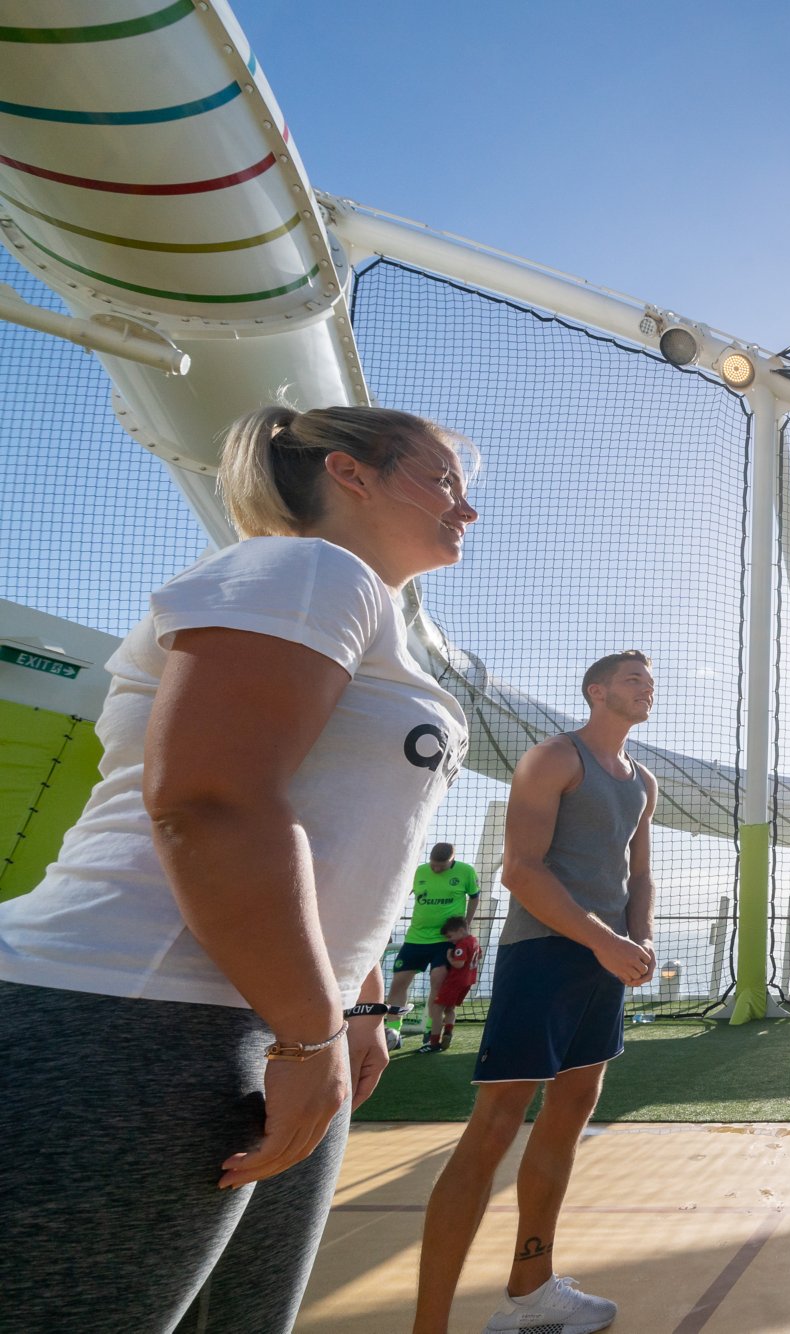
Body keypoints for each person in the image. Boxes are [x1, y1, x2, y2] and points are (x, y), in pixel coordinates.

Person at [0, 404, 476, 1331]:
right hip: (133, 1016)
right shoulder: (309, 568)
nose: (466, 509)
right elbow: (212, 802)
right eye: (443, 479)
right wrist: (308, 1036)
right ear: (351, 473)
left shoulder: (361, 605)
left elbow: (346, 836)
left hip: (272, 1022)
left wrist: (358, 1004)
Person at [415, 650, 659, 1334]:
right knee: (494, 1127)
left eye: (651, 681)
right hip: (544, 954)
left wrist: (637, 939)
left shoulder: (644, 779)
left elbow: (640, 877)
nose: (647, 688)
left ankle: (530, 1292)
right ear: (597, 690)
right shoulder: (553, 758)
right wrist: (604, 941)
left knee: (574, 1107)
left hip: (603, 966)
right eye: (634, 679)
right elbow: (520, 873)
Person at [388, 841, 481, 1050]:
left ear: (452, 860)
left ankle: (432, 1031)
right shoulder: (419, 871)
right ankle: (392, 1032)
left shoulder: (466, 871)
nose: (436, 868)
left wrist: (466, 925)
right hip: (415, 938)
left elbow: (475, 897)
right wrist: (388, 927)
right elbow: (398, 898)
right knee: (398, 983)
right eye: (433, 864)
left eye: (442, 865)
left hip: (444, 942)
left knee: (437, 983)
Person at [417, 914, 482, 1054]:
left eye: (450, 936)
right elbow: (479, 956)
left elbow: (458, 964)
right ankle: (448, 1031)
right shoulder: (474, 941)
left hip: (455, 981)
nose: (450, 940)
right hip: (468, 982)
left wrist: (449, 958)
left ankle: (433, 1042)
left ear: (460, 931)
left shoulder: (462, 944)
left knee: (436, 1009)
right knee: (450, 1009)